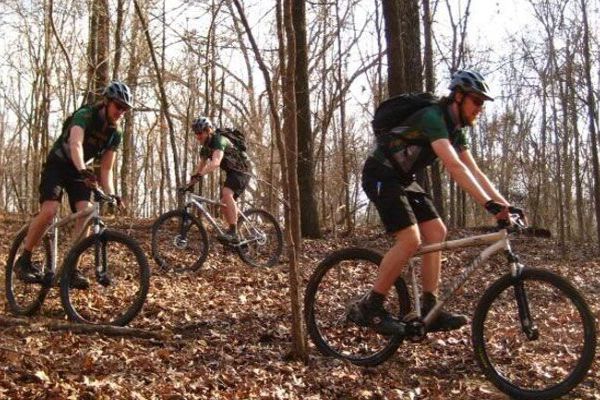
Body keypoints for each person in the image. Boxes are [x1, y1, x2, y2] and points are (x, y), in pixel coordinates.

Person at [350, 69, 523, 335]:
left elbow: (475, 171)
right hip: (380, 173)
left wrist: (504, 205)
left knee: (437, 232)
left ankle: (431, 309)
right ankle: (370, 307)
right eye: (476, 101)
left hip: (403, 178)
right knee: (410, 239)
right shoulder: (433, 117)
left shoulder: (456, 130)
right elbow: (453, 165)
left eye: (482, 104)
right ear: (458, 97)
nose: (480, 108)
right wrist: (488, 206)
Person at [15, 80, 133, 289]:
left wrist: (112, 193)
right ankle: (24, 259)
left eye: (125, 109)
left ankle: (72, 268)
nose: (121, 112)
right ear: (107, 102)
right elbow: (75, 144)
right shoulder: (85, 114)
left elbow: (106, 169)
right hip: (59, 165)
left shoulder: (116, 133)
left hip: (79, 171)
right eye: (118, 106)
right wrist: (82, 169)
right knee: (50, 210)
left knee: (87, 212)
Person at [184, 116, 251, 243]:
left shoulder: (219, 140)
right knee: (224, 204)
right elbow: (199, 168)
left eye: (199, 133)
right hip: (232, 172)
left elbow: (215, 163)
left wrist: (200, 175)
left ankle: (233, 232)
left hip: (242, 169)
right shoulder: (205, 147)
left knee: (226, 193)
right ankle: (237, 239)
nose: (197, 136)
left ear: (208, 130)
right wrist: (190, 184)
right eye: (196, 133)